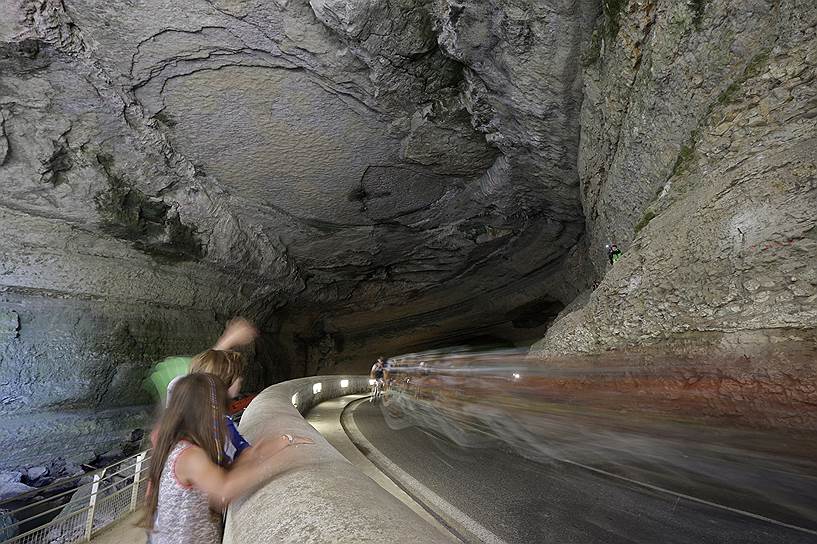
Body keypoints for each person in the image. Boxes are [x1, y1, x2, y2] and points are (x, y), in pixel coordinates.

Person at [143, 373, 312, 544]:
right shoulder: (189, 455)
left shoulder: (181, 446)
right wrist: (277, 463)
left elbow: (226, 474)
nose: (222, 419)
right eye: (220, 411)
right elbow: (225, 488)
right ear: (207, 412)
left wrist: (282, 442)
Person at [164, 319, 258, 462]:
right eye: (238, 377)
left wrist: (226, 342)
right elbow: (245, 458)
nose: (241, 380)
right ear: (226, 383)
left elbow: (199, 376)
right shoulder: (220, 426)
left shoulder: (181, 400)